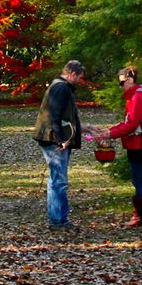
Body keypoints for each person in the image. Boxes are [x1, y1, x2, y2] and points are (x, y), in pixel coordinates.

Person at [33, 60, 86, 229]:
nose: (80, 80)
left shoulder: (60, 87)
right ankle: (57, 220)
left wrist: (85, 127)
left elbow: (65, 117)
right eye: (79, 77)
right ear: (72, 74)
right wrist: (61, 140)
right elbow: (55, 116)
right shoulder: (61, 88)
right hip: (53, 140)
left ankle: (60, 218)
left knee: (57, 179)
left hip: (52, 137)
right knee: (58, 181)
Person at [103, 65, 142, 228]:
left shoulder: (137, 97)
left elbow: (132, 124)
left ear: (131, 80)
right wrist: (110, 130)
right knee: (137, 177)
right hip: (135, 141)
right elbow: (130, 122)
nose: (121, 86)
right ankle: (140, 216)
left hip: (138, 143)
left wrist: (110, 134)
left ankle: (141, 217)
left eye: (122, 82)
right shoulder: (135, 96)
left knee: (139, 178)